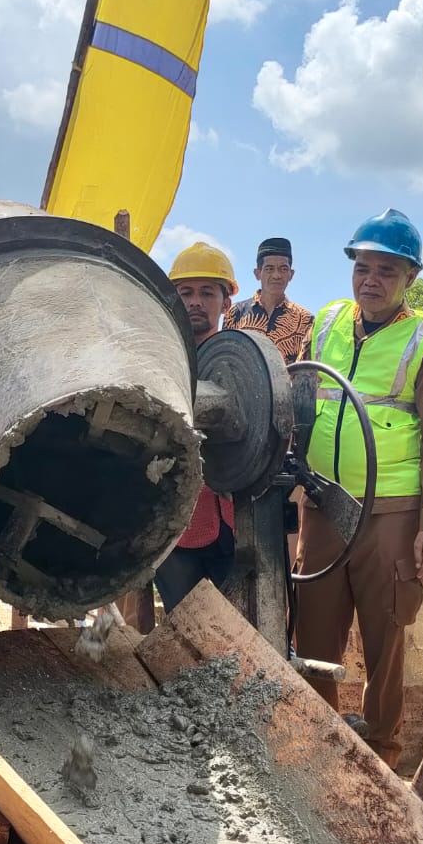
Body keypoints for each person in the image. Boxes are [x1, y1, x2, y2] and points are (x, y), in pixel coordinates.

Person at [294, 209, 423, 769]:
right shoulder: (328, 323)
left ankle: (383, 752)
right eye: (363, 267)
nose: (371, 280)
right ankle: (321, 751)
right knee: (314, 634)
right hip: (323, 506)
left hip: (391, 513)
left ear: (410, 276)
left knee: (386, 637)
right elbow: (301, 399)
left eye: (386, 271)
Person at [155, 243, 237, 609]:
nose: (195, 302)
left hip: (236, 519)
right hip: (176, 521)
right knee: (184, 627)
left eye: (207, 292)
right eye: (185, 292)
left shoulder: (244, 360)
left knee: (242, 630)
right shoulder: (156, 357)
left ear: (227, 303)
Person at [222, 236, 313, 365]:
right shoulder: (234, 313)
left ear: (291, 274)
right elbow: (224, 358)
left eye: (283, 269)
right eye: (269, 269)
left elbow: (305, 372)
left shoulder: (305, 320)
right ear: (257, 273)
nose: (276, 275)